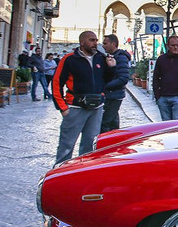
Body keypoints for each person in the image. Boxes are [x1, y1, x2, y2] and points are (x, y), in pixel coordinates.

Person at [53, 31, 115, 166]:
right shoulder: (69, 59)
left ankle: (83, 173)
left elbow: (106, 80)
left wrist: (111, 68)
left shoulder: (100, 58)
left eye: (96, 40)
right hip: (75, 108)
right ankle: (59, 175)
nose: (95, 43)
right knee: (66, 146)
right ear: (82, 42)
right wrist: (62, 108)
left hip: (96, 108)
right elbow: (57, 83)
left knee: (89, 146)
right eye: (92, 40)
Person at [153, 35, 178, 121]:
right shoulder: (161, 59)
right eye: (173, 45)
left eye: (177, 45)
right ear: (168, 46)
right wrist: (158, 96)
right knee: (166, 126)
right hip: (163, 97)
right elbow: (155, 78)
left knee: (177, 126)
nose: (175, 47)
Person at [101, 34, 132, 132]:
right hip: (111, 95)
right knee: (112, 123)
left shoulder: (121, 58)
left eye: (105, 43)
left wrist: (105, 86)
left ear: (113, 44)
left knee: (105, 123)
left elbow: (123, 78)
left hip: (114, 95)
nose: (103, 46)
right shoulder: (112, 56)